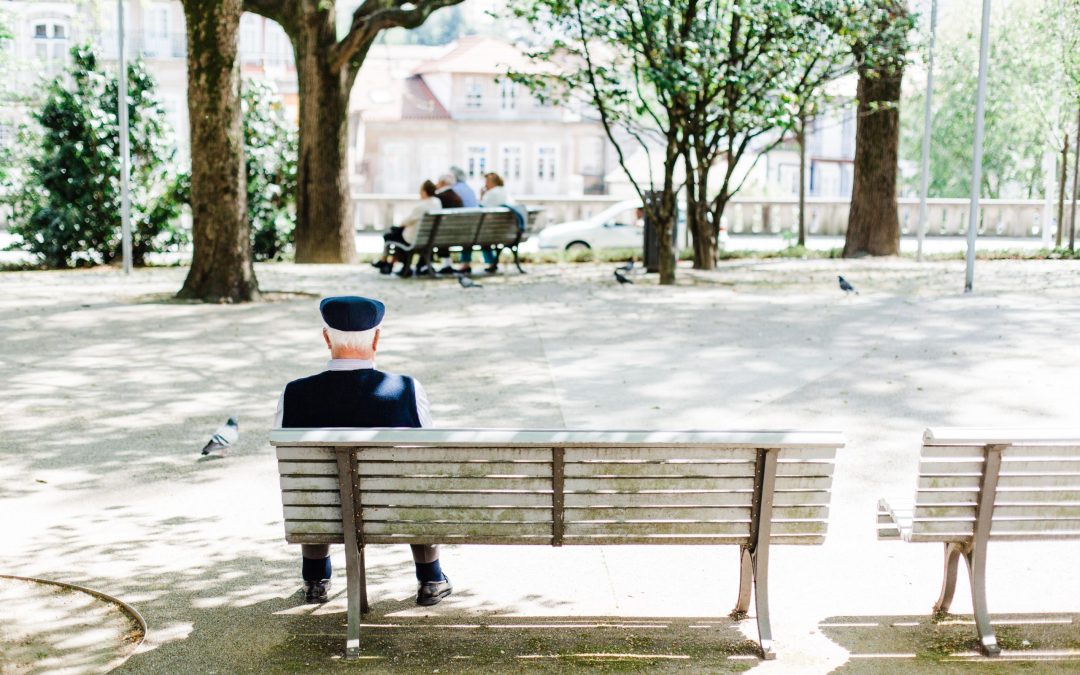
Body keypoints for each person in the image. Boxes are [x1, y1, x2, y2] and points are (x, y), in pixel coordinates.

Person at [274, 296, 452, 606]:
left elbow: (291, 461)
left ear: (327, 338)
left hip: (323, 512)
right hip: (394, 511)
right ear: (377, 338)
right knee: (417, 481)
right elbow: (427, 451)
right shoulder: (407, 389)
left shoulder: (294, 393)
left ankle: (315, 579)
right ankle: (430, 577)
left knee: (313, 484)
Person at [374, 180, 440, 275]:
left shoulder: (421, 207)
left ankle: (385, 262)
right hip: (430, 239)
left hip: (415, 239)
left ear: (424, 192)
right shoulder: (437, 203)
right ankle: (387, 263)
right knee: (395, 234)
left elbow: (405, 222)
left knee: (390, 235)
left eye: (420, 191)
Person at [457, 172, 508, 275]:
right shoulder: (505, 192)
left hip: (489, 230)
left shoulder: (491, 193)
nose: (485, 184)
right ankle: (491, 262)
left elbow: (480, 210)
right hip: (502, 231)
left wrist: (481, 196)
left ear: (491, 182)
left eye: (486, 181)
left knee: (469, 236)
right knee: (483, 237)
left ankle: (466, 264)